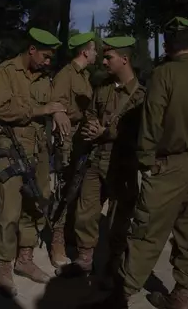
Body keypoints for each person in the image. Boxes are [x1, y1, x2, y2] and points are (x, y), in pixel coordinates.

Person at [93, 17, 188, 309]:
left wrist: (146, 162)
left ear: (167, 45)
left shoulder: (164, 74)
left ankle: (120, 297)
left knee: (146, 231)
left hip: (169, 166)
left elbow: (151, 122)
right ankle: (181, 294)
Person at [0, 27, 66, 297]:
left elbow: (56, 103)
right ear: (32, 50)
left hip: (40, 148)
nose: (48, 62)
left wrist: (58, 114)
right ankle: (4, 265)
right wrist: (41, 110)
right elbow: (1, 109)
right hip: (12, 146)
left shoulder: (46, 78)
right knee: (9, 209)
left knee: (37, 203)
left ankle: (25, 258)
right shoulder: (6, 72)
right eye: (45, 56)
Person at [65, 36, 145, 283]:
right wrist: (90, 125)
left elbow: (141, 133)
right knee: (86, 212)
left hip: (122, 164)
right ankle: (85, 259)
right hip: (96, 159)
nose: (104, 61)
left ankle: (114, 263)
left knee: (119, 218)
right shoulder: (104, 88)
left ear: (125, 59)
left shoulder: (142, 95)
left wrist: (107, 133)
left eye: (109, 57)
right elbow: (91, 112)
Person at [48, 31, 97, 268]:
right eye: (94, 49)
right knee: (64, 190)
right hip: (67, 140)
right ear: (85, 51)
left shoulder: (85, 75)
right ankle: (56, 240)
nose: (96, 53)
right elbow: (56, 107)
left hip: (82, 139)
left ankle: (68, 234)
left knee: (77, 190)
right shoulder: (65, 75)